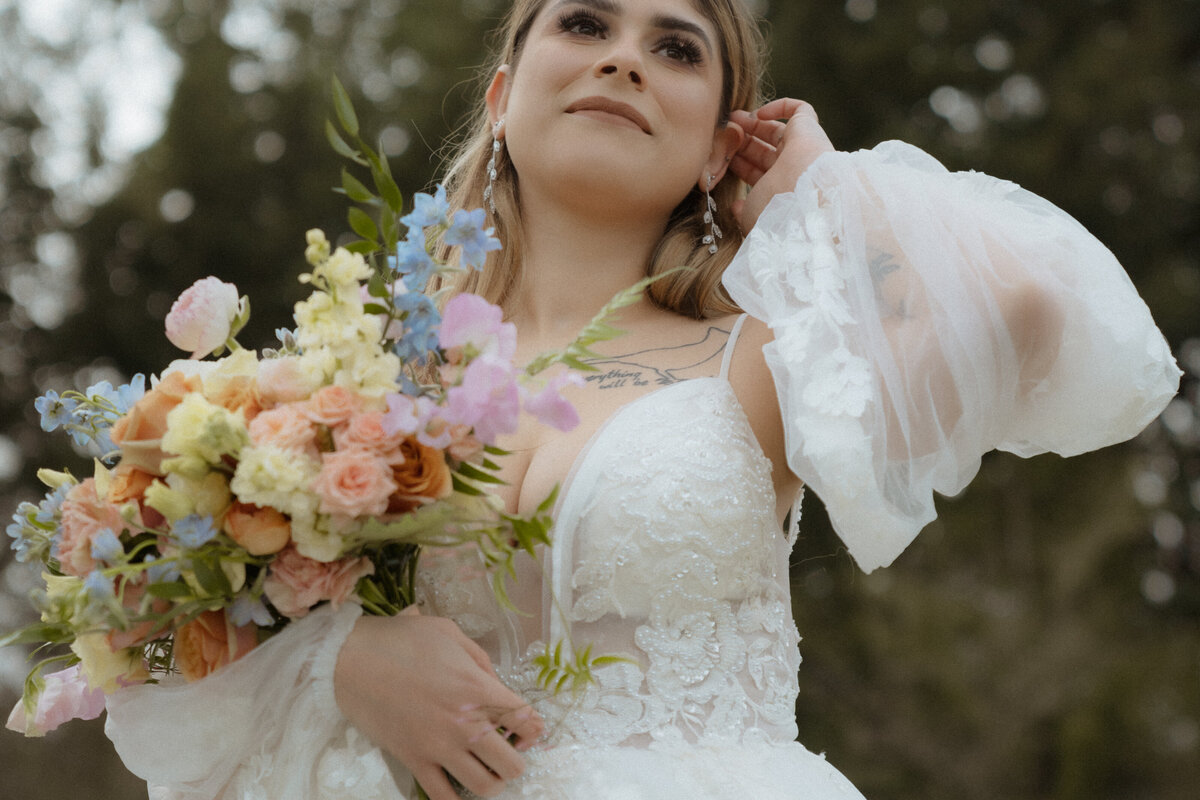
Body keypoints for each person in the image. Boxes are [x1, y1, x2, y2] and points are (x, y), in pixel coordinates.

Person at [104, 0, 1181, 798]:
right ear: (503, 91)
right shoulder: (356, 376)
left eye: (676, 47)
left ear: (721, 143)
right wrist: (343, 660)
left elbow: (1038, 312)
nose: (624, 56)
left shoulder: (765, 355)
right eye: (583, 24)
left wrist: (822, 191)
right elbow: (149, 631)